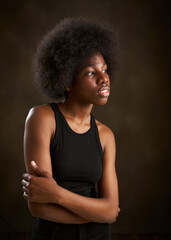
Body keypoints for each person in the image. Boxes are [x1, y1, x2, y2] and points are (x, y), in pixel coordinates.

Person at [21, 17, 120, 240]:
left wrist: (56, 194)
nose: (104, 79)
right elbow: (39, 208)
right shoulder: (42, 118)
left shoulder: (105, 135)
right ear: (66, 80)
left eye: (104, 70)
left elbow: (111, 210)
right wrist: (98, 212)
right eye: (91, 73)